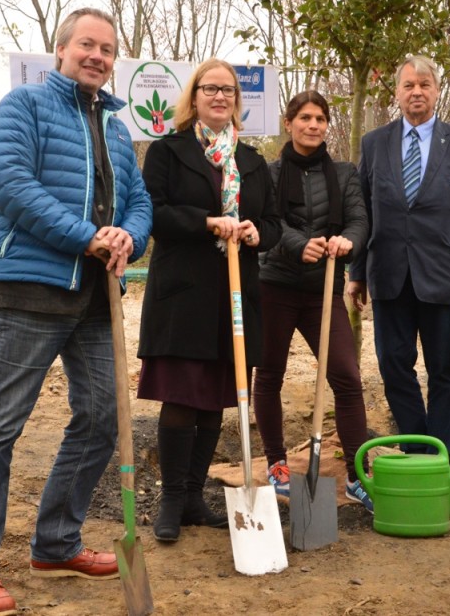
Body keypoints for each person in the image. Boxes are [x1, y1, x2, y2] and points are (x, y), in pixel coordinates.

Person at [0, 8, 153, 616]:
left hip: (96, 295)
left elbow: (138, 200)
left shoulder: (117, 128)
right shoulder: (23, 107)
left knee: (102, 417)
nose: (97, 56)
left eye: (107, 49)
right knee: (0, 424)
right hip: (30, 289)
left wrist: (128, 236)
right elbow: (11, 185)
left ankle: (57, 543)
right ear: (60, 49)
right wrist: (87, 236)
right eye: (87, 44)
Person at [137, 58, 282, 543]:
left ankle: (195, 498)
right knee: (182, 398)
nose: (220, 97)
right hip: (184, 296)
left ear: (237, 100)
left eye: (228, 90)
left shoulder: (253, 161)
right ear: (194, 97)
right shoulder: (168, 151)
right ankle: (171, 499)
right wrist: (206, 223)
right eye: (210, 89)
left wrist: (257, 232)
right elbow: (154, 214)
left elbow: (274, 222)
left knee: (217, 400)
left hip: (235, 296)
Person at [346, 55, 450, 465]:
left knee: (444, 371)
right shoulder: (374, 144)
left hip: (446, 277)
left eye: (424, 85)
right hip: (388, 274)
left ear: (437, 91)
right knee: (393, 366)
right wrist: (356, 272)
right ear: (396, 92)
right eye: (408, 85)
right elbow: (363, 214)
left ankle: (443, 459)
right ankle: (418, 451)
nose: (416, 92)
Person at [252, 90, 373, 512]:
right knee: (269, 375)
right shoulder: (268, 173)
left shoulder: (344, 173)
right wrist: (297, 244)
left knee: (347, 377)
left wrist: (348, 241)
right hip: (275, 286)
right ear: (289, 123)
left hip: (323, 291)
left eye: (320, 118)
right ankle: (277, 465)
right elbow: (268, 222)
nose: (313, 125)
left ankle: (358, 476)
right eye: (305, 117)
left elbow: (359, 220)